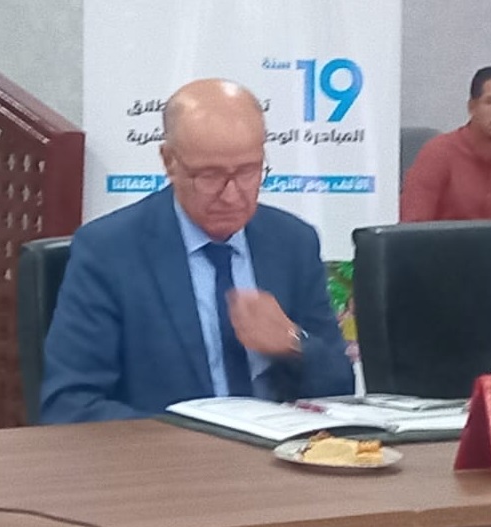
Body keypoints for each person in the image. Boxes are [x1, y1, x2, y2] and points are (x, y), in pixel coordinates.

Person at [40, 78, 354, 424]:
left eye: (248, 171)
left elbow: (340, 387)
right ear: (169, 161)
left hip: (278, 451)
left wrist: (292, 340)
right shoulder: (109, 251)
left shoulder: (292, 241)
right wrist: (190, 441)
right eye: (210, 176)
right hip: (168, 453)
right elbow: (69, 405)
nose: (232, 195)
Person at [400, 66, 491, 222]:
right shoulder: (438, 153)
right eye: (490, 102)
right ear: (472, 107)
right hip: (448, 239)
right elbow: (412, 226)